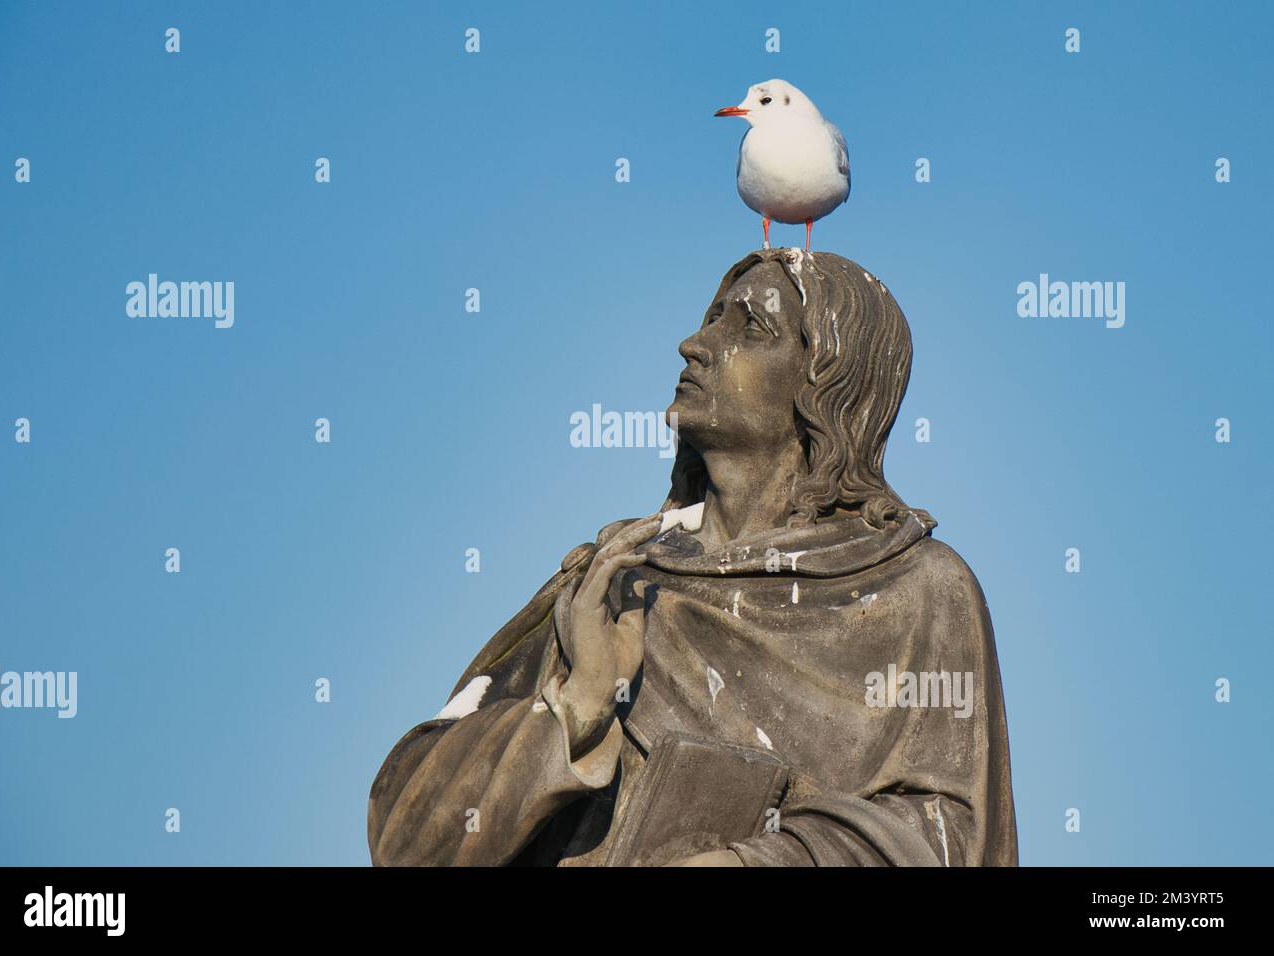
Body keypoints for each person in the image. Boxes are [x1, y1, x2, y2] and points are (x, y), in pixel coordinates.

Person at [369, 248, 1018, 866]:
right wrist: (574, 708)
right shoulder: (616, 581)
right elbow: (406, 838)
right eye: (713, 319)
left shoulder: (917, 589)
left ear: (828, 385)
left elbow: (953, 843)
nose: (696, 344)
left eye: (751, 327)